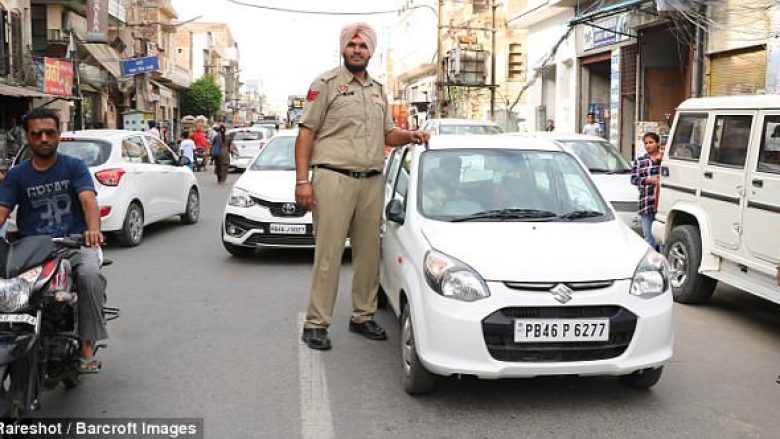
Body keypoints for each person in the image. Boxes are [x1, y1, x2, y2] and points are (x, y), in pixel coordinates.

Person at [295, 22, 429, 350]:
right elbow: (306, 133)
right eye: (352, 45)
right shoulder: (325, 84)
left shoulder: (378, 90)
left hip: (371, 181)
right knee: (328, 254)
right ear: (343, 49)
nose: (357, 50)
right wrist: (302, 181)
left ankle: (363, 316)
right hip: (333, 178)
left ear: (371, 51)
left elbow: (388, 134)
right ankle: (316, 323)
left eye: (363, 46)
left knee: (370, 254)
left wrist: (410, 136)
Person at [0, 108, 107, 373]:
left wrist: (92, 230)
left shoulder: (74, 167)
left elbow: (88, 200)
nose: (44, 138)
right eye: (37, 134)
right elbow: (2, 210)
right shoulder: (17, 175)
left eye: (49, 132)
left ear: (58, 135)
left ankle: (85, 345)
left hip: (72, 244)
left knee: (90, 276)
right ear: (27, 137)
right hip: (31, 250)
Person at [631, 132, 663, 250]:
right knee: (649, 239)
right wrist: (649, 180)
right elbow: (634, 179)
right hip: (645, 203)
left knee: (662, 239)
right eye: (646, 143)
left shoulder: (664, 160)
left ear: (657, 143)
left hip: (661, 204)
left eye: (651, 142)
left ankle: (663, 265)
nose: (648, 145)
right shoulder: (640, 161)